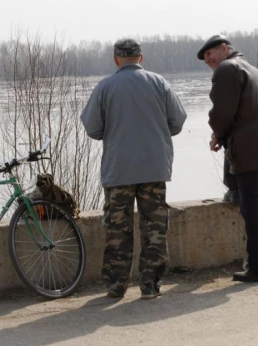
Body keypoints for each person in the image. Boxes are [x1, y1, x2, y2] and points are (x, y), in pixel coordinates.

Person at [80, 38, 187, 299]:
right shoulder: (159, 83)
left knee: (118, 229)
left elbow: (93, 128)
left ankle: (116, 287)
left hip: (119, 170)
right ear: (141, 57)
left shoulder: (105, 87)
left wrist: (115, 131)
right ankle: (150, 285)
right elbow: (178, 121)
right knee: (154, 228)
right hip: (154, 168)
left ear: (116, 59)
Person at [197, 34, 258, 282]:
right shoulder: (248, 66)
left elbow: (222, 111)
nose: (207, 59)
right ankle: (234, 190)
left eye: (210, 53)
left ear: (225, 48)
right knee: (249, 197)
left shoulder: (227, 68)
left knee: (251, 206)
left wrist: (217, 133)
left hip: (250, 140)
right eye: (204, 58)